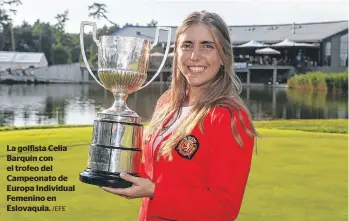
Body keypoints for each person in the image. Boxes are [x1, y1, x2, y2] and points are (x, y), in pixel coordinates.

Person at [101, 10, 258, 221]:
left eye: (207, 45)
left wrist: (155, 191)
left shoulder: (229, 116)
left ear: (223, 56)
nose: (195, 56)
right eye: (187, 45)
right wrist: (113, 162)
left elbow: (223, 207)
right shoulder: (167, 102)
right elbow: (155, 172)